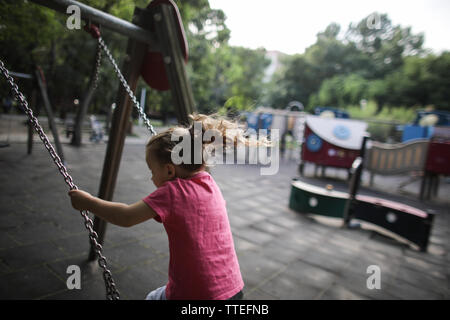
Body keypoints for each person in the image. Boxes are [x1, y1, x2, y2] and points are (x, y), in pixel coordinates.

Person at [68, 114, 251, 300]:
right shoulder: (210, 183)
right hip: (233, 288)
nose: (151, 177)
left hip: (198, 294)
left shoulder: (173, 192)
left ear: (170, 170)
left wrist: (87, 201)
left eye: (152, 171)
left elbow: (125, 216)